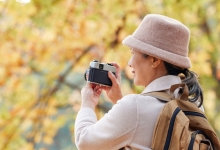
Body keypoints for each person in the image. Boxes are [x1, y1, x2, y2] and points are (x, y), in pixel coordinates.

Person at [74, 14, 204, 150]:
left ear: (154, 60)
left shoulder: (134, 108)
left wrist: (88, 104)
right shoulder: (195, 104)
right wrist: (119, 101)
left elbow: (84, 142)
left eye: (133, 52)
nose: (129, 63)